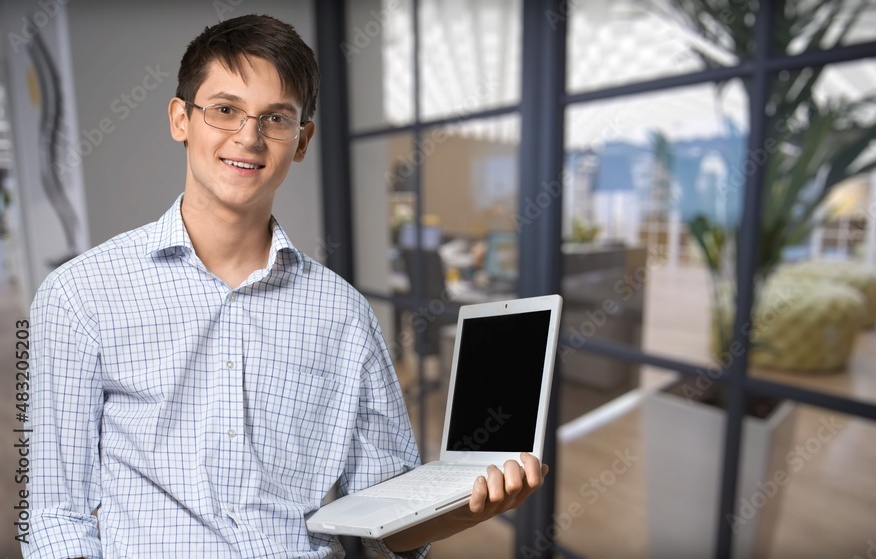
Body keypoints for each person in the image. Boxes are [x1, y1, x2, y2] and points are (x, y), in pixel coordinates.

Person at [25, 14, 547, 559]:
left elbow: (390, 524)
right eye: (225, 110)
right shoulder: (79, 294)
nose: (248, 138)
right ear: (181, 118)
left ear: (302, 140)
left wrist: (461, 507)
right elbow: (54, 514)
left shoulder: (343, 313)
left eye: (276, 118)